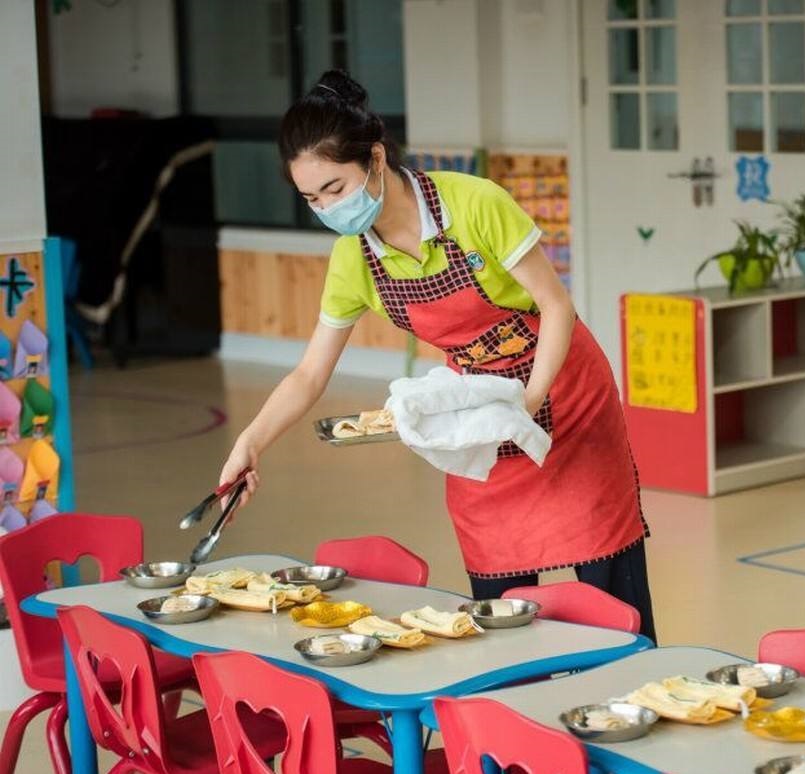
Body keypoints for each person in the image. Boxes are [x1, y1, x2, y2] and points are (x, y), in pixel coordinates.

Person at [218, 70, 655, 641]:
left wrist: (527, 403)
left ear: (375, 159)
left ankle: (624, 704)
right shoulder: (354, 260)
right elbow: (309, 373)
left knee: (608, 596)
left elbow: (555, 307)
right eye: (311, 199)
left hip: (567, 401)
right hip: (478, 420)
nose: (327, 209)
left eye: (336, 189)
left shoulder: (473, 204)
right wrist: (249, 443)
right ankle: (520, 723)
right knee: (500, 601)